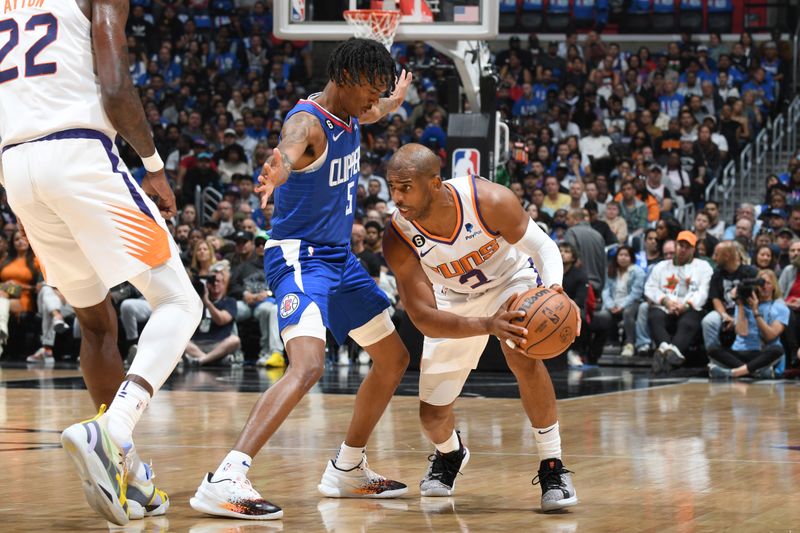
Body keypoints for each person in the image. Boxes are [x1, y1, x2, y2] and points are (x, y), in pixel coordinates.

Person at [190, 39, 413, 519]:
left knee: (393, 358)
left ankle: (348, 468)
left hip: (340, 261)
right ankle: (227, 475)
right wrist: (279, 169)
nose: (374, 103)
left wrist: (393, 101)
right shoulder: (307, 122)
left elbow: (375, 113)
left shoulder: (354, 113)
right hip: (299, 258)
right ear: (348, 79)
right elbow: (289, 149)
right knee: (308, 365)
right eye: (371, 92)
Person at [0, 0, 202, 525]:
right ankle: (111, 430)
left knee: (96, 322)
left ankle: (128, 473)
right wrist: (154, 166)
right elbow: (114, 85)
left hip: (16, 166)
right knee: (180, 301)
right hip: (78, 151)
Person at [384, 143, 579, 512]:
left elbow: (545, 248)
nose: (397, 196)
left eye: (405, 186)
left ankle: (553, 466)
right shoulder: (398, 235)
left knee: (522, 354)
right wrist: (487, 325)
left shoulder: (488, 199)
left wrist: (555, 290)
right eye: (392, 186)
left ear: (435, 184)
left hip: (511, 282)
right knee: (432, 416)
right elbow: (423, 316)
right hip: (454, 300)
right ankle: (451, 454)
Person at [646, 232, 713, 373]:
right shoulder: (661, 266)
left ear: (693, 249)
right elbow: (650, 287)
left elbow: (703, 291)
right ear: (675, 246)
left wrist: (686, 305)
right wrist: (666, 301)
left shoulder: (703, 266)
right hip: (666, 306)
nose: (683, 249)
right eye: (680, 245)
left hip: (691, 308)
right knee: (654, 316)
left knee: (688, 322)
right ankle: (670, 353)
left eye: (687, 247)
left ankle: (665, 354)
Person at [708, 269, 789, 379]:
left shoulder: (781, 308)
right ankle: (755, 372)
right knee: (712, 348)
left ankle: (734, 373)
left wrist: (756, 312)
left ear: (774, 286)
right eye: (761, 283)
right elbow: (742, 332)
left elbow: (770, 336)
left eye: (768, 283)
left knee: (777, 350)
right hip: (740, 352)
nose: (764, 286)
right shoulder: (743, 304)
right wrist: (740, 304)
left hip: (761, 353)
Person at [702, 241, 758, 355]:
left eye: (716, 254)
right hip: (724, 311)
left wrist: (736, 319)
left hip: (745, 311)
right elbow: (715, 298)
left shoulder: (750, 272)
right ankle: (715, 358)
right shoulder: (717, 273)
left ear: (726, 256)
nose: (713, 258)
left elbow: (751, 300)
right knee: (708, 321)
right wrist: (725, 316)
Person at [594, 246, 646, 357]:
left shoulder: (638, 272)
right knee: (603, 315)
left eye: (626, 255)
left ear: (631, 257)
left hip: (632, 303)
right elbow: (606, 290)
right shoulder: (611, 270)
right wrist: (610, 305)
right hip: (613, 303)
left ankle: (629, 343)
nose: (623, 258)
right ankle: (610, 342)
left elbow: (636, 293)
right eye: (620, 255)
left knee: (627, 313)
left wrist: (622, 306)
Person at [184, 270, 241, 366]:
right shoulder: (197, 302)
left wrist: (208, 303)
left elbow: (221, 320)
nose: (215, 285)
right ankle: (211, 360)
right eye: (211, 282)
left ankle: (201, 360)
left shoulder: (229, 301)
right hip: (197, 344)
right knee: (180, 341)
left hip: (218, 344)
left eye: (218, 281)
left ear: (224, 284)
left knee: (235, 340)